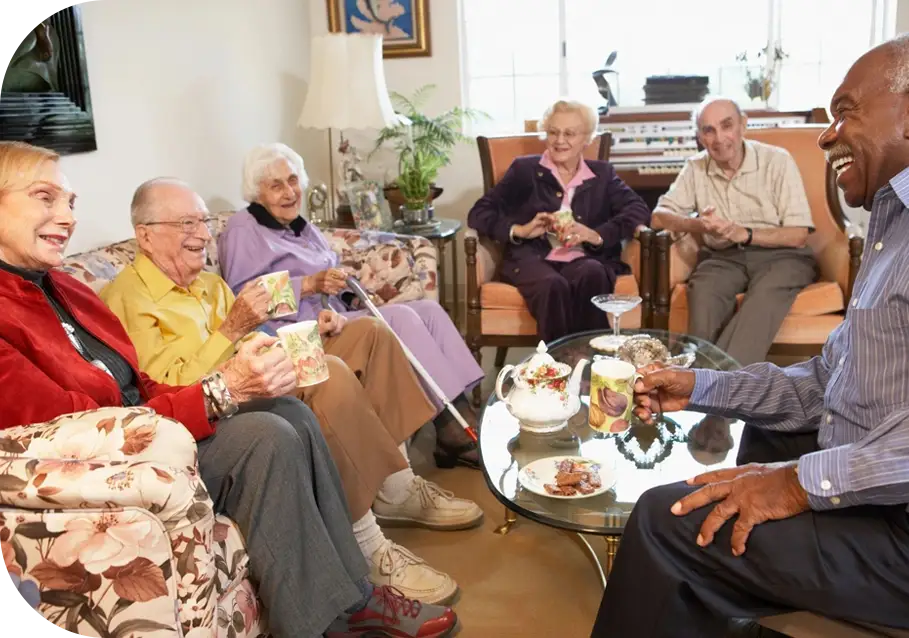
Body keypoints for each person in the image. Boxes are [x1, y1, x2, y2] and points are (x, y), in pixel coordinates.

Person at [0, 141, 456, 638]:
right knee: (269, 434)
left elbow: (139, 381)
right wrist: (220, 391)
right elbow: (71, 422)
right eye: (46, 197)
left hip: (161, 420)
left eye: (70, 202)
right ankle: (331, 614)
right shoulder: (110, 297)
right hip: (120, 460)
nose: (66, 216)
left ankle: (358, 593)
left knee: (294, 411)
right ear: (145, 237)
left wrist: (254, 361)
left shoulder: (69, 289)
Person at [590, 36, 909, 638]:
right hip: (879, 480)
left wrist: (795, 484)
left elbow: (798, 237)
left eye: (847, 111)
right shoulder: (894, 224)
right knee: (769, 426)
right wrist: (701, 384)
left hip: (899, 530)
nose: (827, 133)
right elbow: (825, 380)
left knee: (662, 518)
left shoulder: (793, 171)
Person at [100, 177, 483, 605]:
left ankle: (398, 487)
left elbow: (252, 339)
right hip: (218, 405)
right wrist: (235, 330)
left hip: (255, 372)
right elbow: (169, 388)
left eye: (204, 221)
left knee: (369, 333)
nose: (203, 234)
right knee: (329, 373)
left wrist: (292, 335)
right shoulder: (127, 301)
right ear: (145, 234)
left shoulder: (208, 284)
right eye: (187, 223)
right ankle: (367, 544)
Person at [217, 143, 484, 469]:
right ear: (256, 192)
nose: (289, 192)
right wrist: (309, 285)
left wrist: (349, 294)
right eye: (276, 186)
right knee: (400, 318)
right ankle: (451, 430)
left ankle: (464, 410)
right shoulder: (244, 229)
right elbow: (244, 299)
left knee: (426, 310)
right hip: (297, 333)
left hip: (335, 314)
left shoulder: (299, 225)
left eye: (292, 180)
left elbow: (329, 271)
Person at [650, 96, 817, 366]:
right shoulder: (695, 167)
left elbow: (798, 234)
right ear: (700, 137)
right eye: (708, 130)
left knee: (762, 300)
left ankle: (723, 391)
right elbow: (658, 216)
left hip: (783, 256)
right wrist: (698, 224)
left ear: (743, 126)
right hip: (723, 258)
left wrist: (746, 234)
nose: (719, 138)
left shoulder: (777, 161)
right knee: (704, 290)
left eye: (726, 126)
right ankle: (695, 385)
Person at [467, 98, 651, 342]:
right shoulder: (525, 170)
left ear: (587, 138)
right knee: (552, 285)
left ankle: (591, 357)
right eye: (553, 132)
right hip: (532, 259)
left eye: (569, 133)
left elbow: (638, 209)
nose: (559, 140)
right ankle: (557, 367)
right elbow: (479, 212)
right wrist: (520, 230)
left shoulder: (602, 174)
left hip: (584, 258)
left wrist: (595, 235)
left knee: (592, 273)